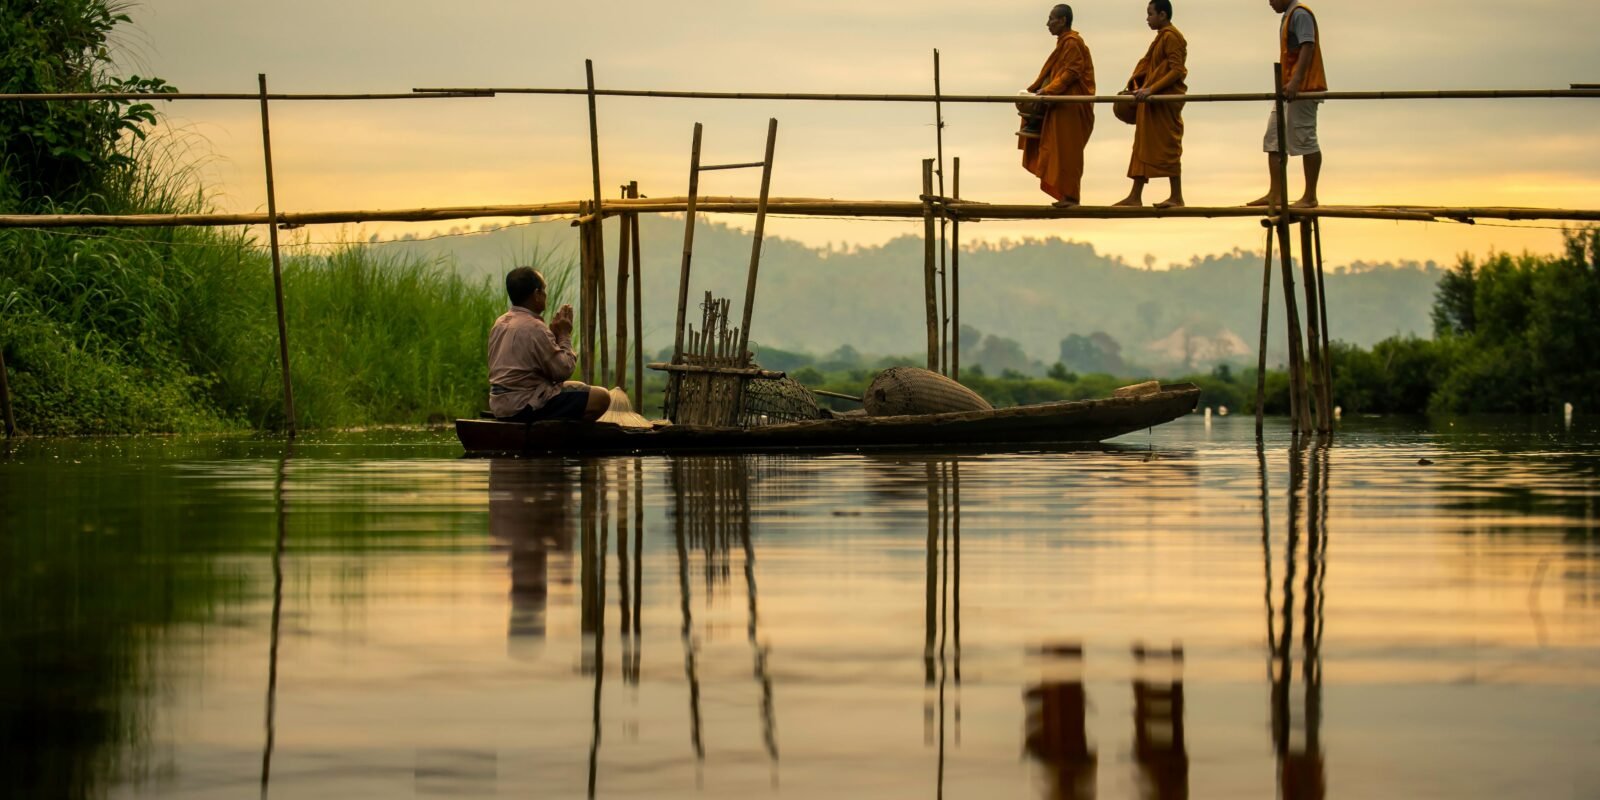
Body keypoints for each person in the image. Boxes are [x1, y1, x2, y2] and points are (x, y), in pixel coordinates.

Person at [487, 266, 610, 422]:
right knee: (601, 397)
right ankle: (561, 438)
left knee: (577, 386)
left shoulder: (500, 322)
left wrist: (553, 335)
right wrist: (564, 334)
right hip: (524, 405)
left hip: (501, 405)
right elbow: (563, 371)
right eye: (543, 290)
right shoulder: (535, 327)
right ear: (536, 294)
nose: (546, 294)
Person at [1249, 0, 1328, 209]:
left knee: (1304, 138)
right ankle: (1276, 193)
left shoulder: (1300, 14)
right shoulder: (1288, 16)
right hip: (1287, 89)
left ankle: (1310, 195)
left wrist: (1296, 81)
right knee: (1274, 138)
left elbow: (1307, 46)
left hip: (1303, 88)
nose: (1270, 2)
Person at [1019, 4, 1097, 208]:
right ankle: (1066, 195)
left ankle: (1072, 197)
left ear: (1062, 21)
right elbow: (1055, 74)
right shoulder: (1063, 43)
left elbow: (1071, 72)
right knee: (1058, 149)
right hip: (1061, 104)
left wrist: (1048, 91)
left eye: (1051, 19)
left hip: (1071, 105)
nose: (1048, 23)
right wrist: (1039, 90)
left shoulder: (1072, 43)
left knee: (1068, 151)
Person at [1114, 0, 1187, 209]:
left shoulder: (1172, 37)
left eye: (1150, 14)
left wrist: (1151, 89)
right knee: (1142, 145)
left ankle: (1176, 196)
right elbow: (1150, 67)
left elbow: (1177, 70)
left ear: (1162, 15)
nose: (1147, 19)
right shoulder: (1161, 38)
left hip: (1164, 101)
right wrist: (1140, 87)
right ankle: (1135, 195)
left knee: (1169, 146)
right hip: (1151, 101)